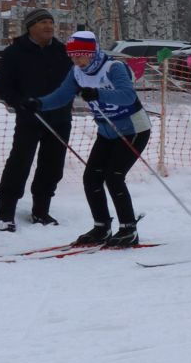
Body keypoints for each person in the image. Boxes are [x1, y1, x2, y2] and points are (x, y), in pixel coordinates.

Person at [33, 31, 151, 248]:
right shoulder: (77, 72)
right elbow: (61, 95)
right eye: (73, 56)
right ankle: (101, 226)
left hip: (133, 129)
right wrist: (38, 104)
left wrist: (98, 94)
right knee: (91, 177)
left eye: (81, 55)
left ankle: (128, 229)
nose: (76, 60)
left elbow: (128, 96)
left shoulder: (113, 68)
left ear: (93, 52)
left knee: (114, 176)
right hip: (106, 130)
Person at [0, 8, 72, 231]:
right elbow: (3, 87)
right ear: (30, 26)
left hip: (60, 118)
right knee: (19, 164)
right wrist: (20, 101)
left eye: (50, 22)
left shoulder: (62, 52)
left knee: (53, 166)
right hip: (30, 118)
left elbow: (74, 81)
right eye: (43, 22)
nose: (48, 26)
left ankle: (41, 211)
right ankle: (6, 212)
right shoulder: (15, 52)